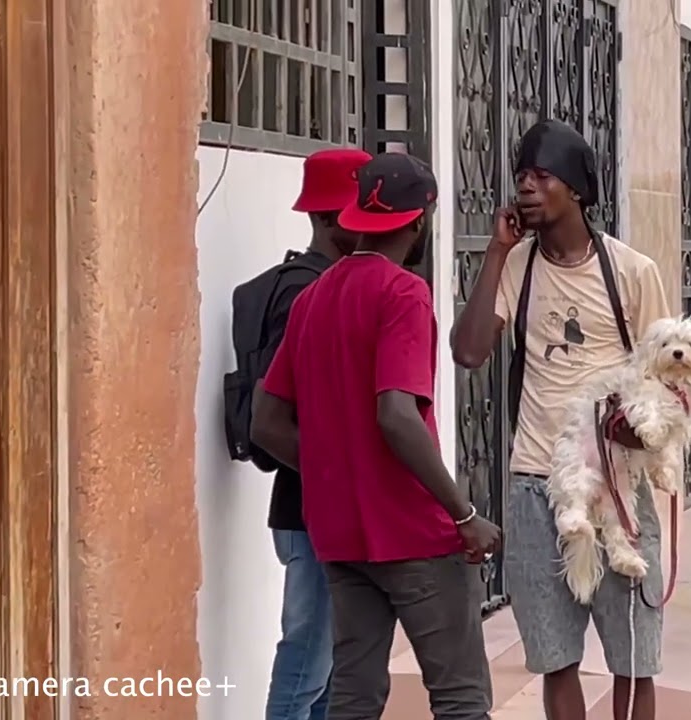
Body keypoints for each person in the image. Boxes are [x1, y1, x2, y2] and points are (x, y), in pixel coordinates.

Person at [251, 152, 501, 720]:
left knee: (353, 696)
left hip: (339, 535)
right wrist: (463, 515)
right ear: (419, 222)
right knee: (460, 697)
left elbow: (265, 422)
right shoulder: (403, 293)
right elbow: (396, 414)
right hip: (414, 533)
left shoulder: (314, 298)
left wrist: (336, 470)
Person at [451, 119, 672, 720]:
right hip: (535, 485)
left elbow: (668, 379)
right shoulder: (516, 267)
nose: (526, 187)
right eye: (520, 176)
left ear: (575, 188)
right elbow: (469, 351)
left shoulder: (631, 272)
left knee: (634, 656)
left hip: (617, 489)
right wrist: (496, 250)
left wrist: (639, 431)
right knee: (555, 656)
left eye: (541, 176)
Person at [262, 147, 370, 720]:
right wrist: (338, 478)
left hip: (317, 507)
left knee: (327, 671)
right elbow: (279, 412)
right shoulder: (308, 292)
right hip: (310, 511)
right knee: (305, 666)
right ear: (330, 220)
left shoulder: (322, 283)